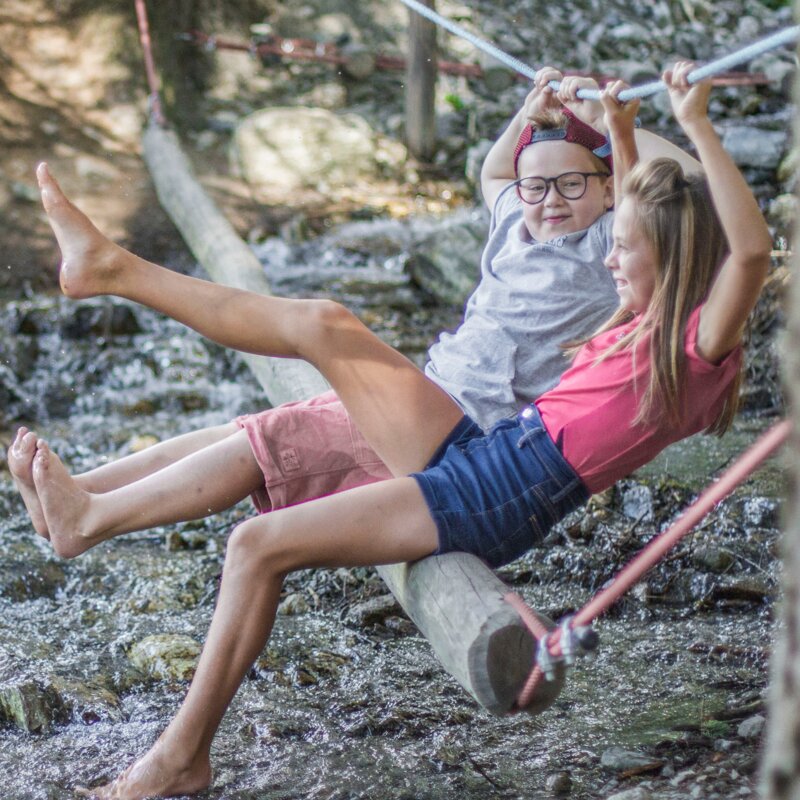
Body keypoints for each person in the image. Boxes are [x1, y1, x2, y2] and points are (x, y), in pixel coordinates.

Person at [26, 60, 770, 799]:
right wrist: (619, 129)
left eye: (622, 246)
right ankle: (112, 281)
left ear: (669, 260)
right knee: (319, 330)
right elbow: (626, 210)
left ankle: (179, 757)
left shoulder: (694, 348)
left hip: (503, 491)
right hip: (483, 457)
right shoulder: (633, 313)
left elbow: (749, 252)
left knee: (260, 532)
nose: (608, 255)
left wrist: (696, 123)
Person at [8, 66, 700, 547]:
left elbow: (688, 179)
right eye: (538, 187)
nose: (550, 200)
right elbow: (496, 171)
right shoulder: (516, 225)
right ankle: (76, 496)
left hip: (468, 438)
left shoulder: (608, 244)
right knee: (253, 432)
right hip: (422, 403)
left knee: (298, 376)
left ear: (610, 189)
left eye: (572, 184)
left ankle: (89, 513)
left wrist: (601, 117)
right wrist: (531, 111)